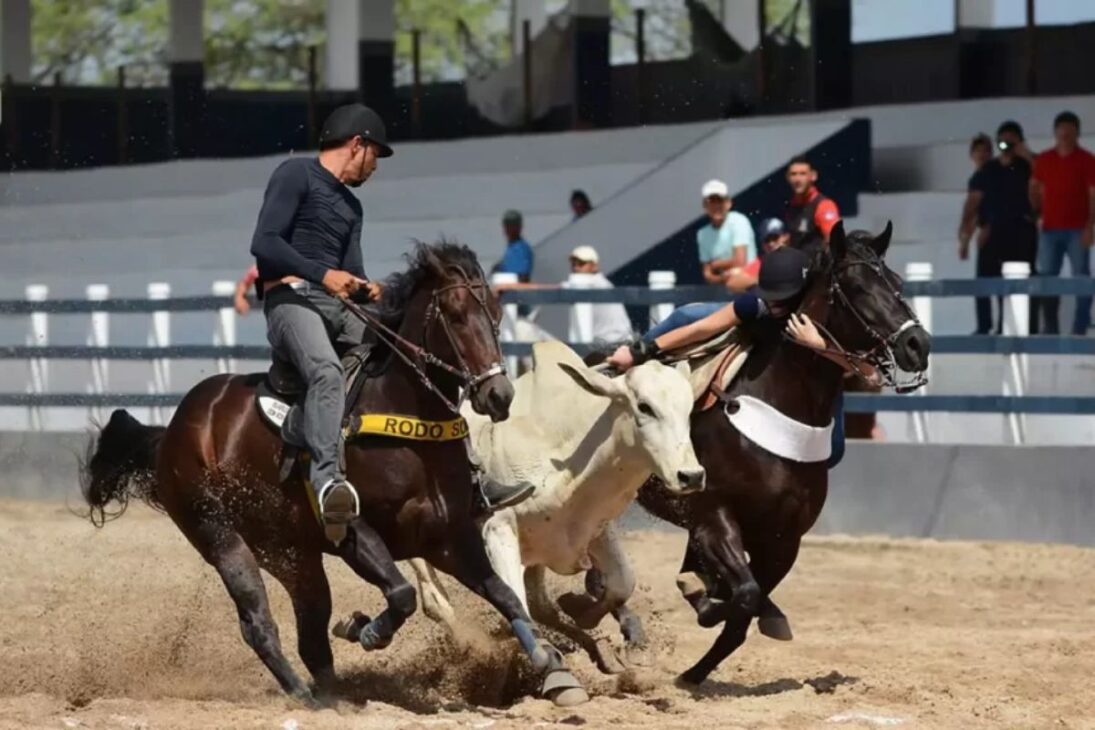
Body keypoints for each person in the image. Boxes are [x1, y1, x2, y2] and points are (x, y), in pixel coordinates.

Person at [250, 104, 527, 540]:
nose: (375, 167)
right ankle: (326, 482)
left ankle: (472, 477)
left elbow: (352, 273)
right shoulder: (295, 174)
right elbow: (264, 243)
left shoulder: (351, 207)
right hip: (290, 300)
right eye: (375, 156)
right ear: (356, 144)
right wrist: (324, 275)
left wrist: (370, 288)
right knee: (325, 371)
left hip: (339, 305)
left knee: (415, 356)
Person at [607, 246, 866, 469]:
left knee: (834, 451)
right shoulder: (758, 304)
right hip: (754, 332)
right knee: (686, 316)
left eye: (781, 300)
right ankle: (628, 362)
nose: (773, 305)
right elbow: (701, 328)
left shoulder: (824, 316)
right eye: (769, 296)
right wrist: (640, 350)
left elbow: (868, 371)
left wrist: (819, 345)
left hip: (817, 364)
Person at [959, 120, 1038, 335]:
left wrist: (1024, 152)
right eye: (1002, 142)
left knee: (1017, 281)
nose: (1006, 146)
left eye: (1011, 142)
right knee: (984, 282)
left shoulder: (1028, 165)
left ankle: (1009, 326)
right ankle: (984, 326)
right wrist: (965, 237)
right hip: (992, 231)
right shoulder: (989, 169)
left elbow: (1044, 177)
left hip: (1021, 231)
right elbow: (973, 204)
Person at [1031, 111, 1095, 335]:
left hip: (1078, 229)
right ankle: (1050, 328)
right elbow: (1034, 188)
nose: (1065, 137)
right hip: (1049, 229)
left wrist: (1090, 226)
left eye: (1070, 133)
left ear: (1077, 133)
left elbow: (1093, 195)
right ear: (1055, 133)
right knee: (1048, 278)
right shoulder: (1044, 159)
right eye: (1062, 132)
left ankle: (1080, 327)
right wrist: (1037, 214)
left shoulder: (1087, 160)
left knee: (1082, 277)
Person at [494, 245, 633, 343]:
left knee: (524, 329)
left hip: (608, 346)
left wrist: (507, 286)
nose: (575, 267)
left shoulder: (588, 282)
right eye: (573, 263)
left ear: (594, 266)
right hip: (617, 343)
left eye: (581, 263)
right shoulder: (603, 282)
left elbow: (544, 290)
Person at [696, 179, 757, 286]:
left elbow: (741, 262)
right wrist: (722, 278)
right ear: (705, 206)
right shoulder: (702, 234)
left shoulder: (739, 221)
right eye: (712, 201)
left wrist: (716, 264)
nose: (716, 206)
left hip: (750, 283)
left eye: (720, 200)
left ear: (728, 203)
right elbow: (707, 274)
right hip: (723, 287)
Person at [784, 155, 841, 251]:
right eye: (793, 174)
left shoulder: (824, 205)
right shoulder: (791, 206)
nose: (797, 179)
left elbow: (835, 241)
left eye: (803, 174)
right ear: (787, 177)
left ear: (813, 176)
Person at [492, 209, 534, 282]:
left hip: (515, 289)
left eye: (512, 226)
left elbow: (523, 278)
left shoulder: (521, 249)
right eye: (507, 225)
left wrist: (499, 276)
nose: (509, 229)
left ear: (519, 227)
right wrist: (500, 268)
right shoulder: (511, 248)